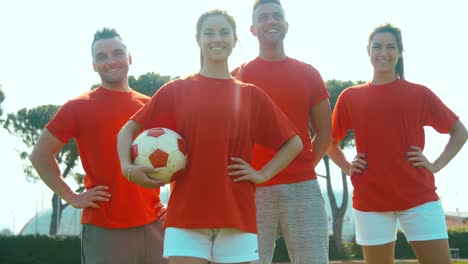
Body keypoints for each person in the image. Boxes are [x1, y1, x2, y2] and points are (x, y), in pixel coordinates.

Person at [117, 9, 303, 264]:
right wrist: (127, 167)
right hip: (186, 216)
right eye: (209, 33)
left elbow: (294, 142)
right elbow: (127, 130)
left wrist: (262, 174)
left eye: (224, 32)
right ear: (198, 39)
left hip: (237, 215)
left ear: (235, 39)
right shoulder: (176, 90)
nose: (217, 39)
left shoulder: (251, 95)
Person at [326, 22, 468, 264]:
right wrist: (348, 166)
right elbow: (329, 142)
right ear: (368, 50)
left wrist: (436, 164)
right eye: (377, 46)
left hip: (419, 197)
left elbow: (459, 131)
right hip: (370, 200)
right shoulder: (350, 97)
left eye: (390, 47)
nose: (384, 52)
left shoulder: (419, 94)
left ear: (400, 51)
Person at [29, 28, 168, 264]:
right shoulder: (78, 107)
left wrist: (172, 201)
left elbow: (178, 157)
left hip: (156, 224)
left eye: (117, 53)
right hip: (105, 228)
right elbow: (39, 155)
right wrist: (72, 196)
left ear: (129, 57)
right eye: (101, 57)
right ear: (94, 65)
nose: (111, 61)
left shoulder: (151, 106)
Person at [232, 0, 331, 263]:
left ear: (286, 25)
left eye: (277, 15)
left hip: (303, 188)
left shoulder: (309, 74)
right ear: (252, 29)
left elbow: (324, 132)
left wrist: (306, 165)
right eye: (263, 17)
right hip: (252, 188)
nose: (271, 21)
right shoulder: (237, 77)